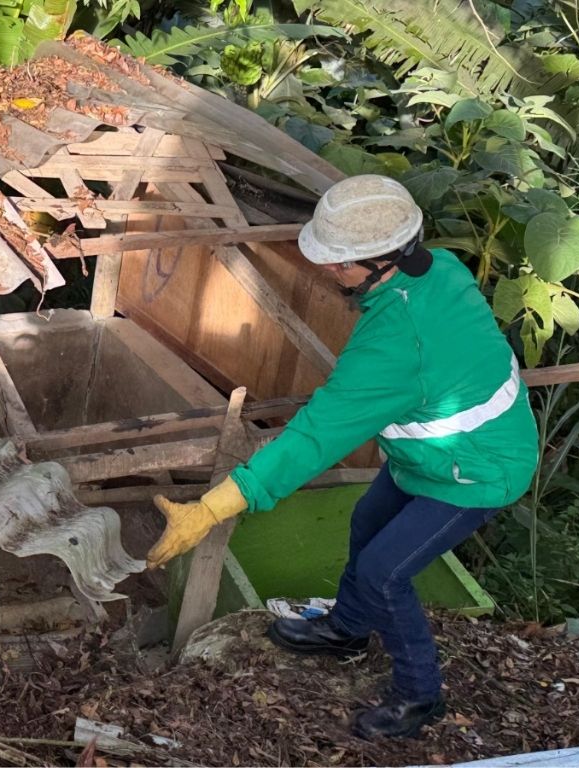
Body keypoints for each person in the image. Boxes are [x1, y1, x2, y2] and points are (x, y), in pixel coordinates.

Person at [147, 175, 539, 739]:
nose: (330, 272)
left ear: (384, 259)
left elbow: (314, 438)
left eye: (342, 264)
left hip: (477, 471)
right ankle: (347, 630)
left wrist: (213, 508)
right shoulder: (437, 268)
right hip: (429, 456)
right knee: (366, 521)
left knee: (384, 574)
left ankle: (419, 696)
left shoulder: (398, 343)